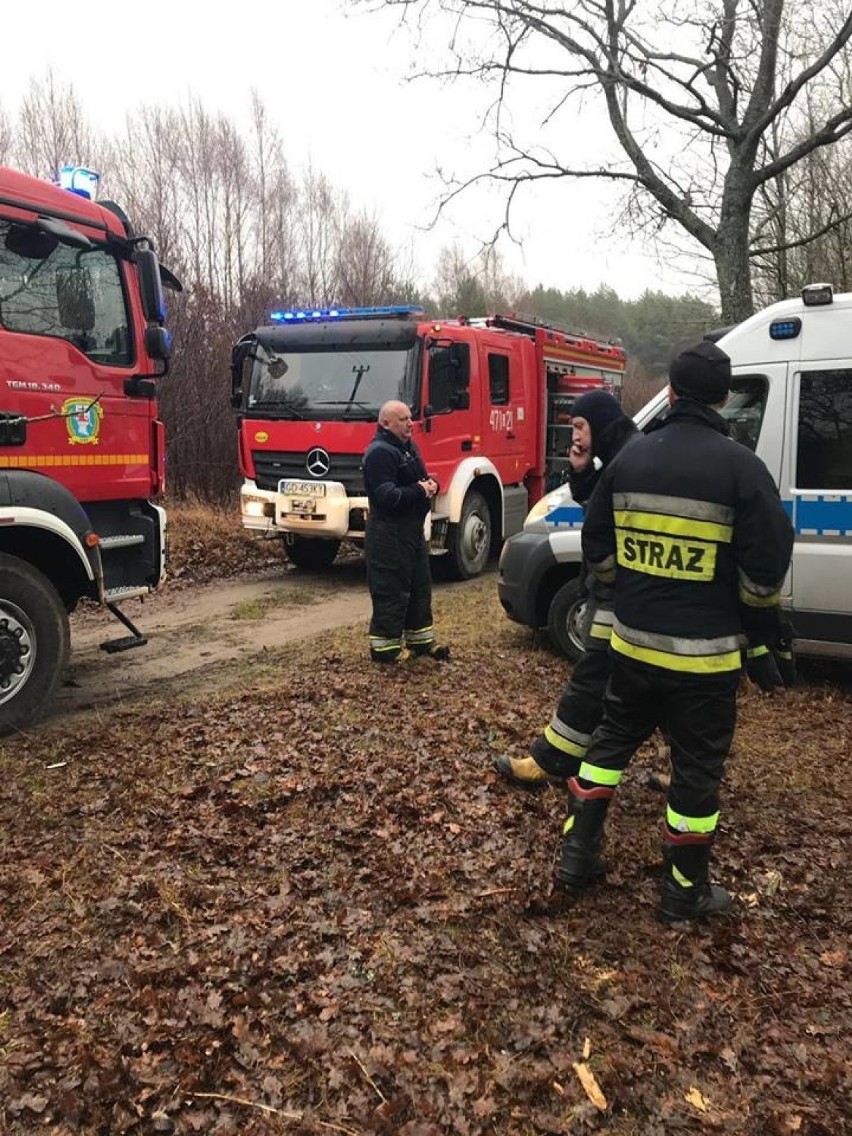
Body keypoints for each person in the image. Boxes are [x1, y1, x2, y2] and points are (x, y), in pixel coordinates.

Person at [555, 340, 794, 922]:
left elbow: (596, 545)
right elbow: (765, 569)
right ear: (723, 396)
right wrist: (758, 630)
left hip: (631, 647)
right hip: (704, 665)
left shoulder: (631, 460)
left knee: (607, 747)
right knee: (695, 773)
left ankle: (575, 857)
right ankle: (682, 890)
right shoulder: (743, 469)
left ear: (671, 392)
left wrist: (620, 589)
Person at [494, 390, 638, 786]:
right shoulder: (618, 454)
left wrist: (605, 582)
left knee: (592, 678)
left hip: (621, 596)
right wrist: (580, 470)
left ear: (600, 422)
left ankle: (551, 760)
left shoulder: (629, 457)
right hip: (627, 594)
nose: (574, 433)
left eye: (579, 425)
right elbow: (599, 500)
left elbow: (601, 523)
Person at [363, 400, 449, 664]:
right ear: (386, 423)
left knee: (419, 586)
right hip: (389, 534)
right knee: (392, 589)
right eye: (403, 419)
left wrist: (432, 483)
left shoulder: (408, 449)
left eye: (410, 418)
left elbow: (420, 479)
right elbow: (387, 496)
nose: (411, 423)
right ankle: (386, 649)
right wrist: (421, 490)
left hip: (411, 532)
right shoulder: (380, 453)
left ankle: (421, 642)